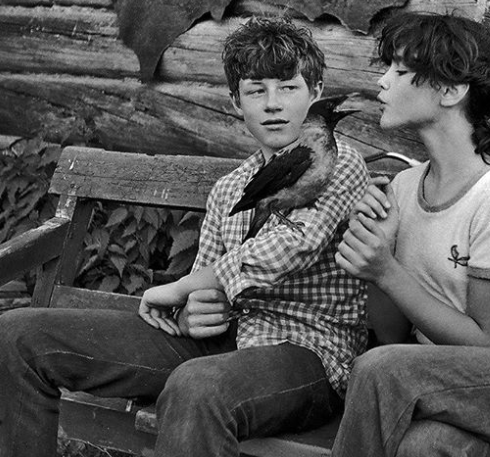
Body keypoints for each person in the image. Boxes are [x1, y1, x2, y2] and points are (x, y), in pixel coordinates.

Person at [0, 17, 369, 457]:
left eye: (288, 88)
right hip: (219, 344)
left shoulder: (341, 161)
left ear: (316, 93)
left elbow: (293, 246)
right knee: (18, 334)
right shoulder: (230, 190)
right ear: (236, 102)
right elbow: (201, 288)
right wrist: (192, 311)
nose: (273, 104)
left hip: (308, 354)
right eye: (256, 91)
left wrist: (181, 287)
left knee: (196, 386)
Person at [333, 12, 490, 457]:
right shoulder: (404, 188)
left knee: (379, 369)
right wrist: (376, 254)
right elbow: (391, 335)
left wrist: (387, 272)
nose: (382, 82)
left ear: (450, 91)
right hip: (441, 378)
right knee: (424, 447)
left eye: (400, 71)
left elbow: (488, 345)